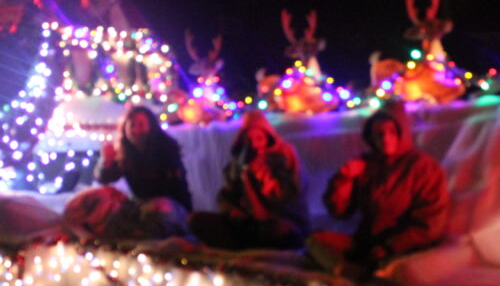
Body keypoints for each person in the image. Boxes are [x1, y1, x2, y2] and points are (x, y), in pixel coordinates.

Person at [310, 99, 449, 276]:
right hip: (366, 244)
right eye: (379, 133)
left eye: (391, 132)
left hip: (402, 249)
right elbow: (340, 211)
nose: (385, 138)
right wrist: (344, 179)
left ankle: (368, 274)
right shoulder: (367, 164)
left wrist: (390, 246)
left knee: (397, 272)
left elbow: (429, 225)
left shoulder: (423, 167)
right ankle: (347, 272)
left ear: (402, 133)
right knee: (316, 241)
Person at [189, 111, 309, 250]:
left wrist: (264, 175)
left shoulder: (283, 157)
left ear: (267, 136)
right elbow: (228, 192)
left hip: (280, 221)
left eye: (258, 138)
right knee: (198, 221)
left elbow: (290, 195)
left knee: (276, 231)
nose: (255, 144)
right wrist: (232, 206)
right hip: (248, 222)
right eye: (249, 139)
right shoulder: (240, 163)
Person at [91, 106, 192, 238]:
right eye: (132, 125)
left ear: (151, 127)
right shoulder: (124, 152)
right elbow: (104, 179)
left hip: (171, 207)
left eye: (141, 125)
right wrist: (106, 162)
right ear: (125, 128)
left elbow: (173, 189)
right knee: (104, 205)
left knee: (157, 211)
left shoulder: (166, 149)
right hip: (141, 206)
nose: (136, 130)